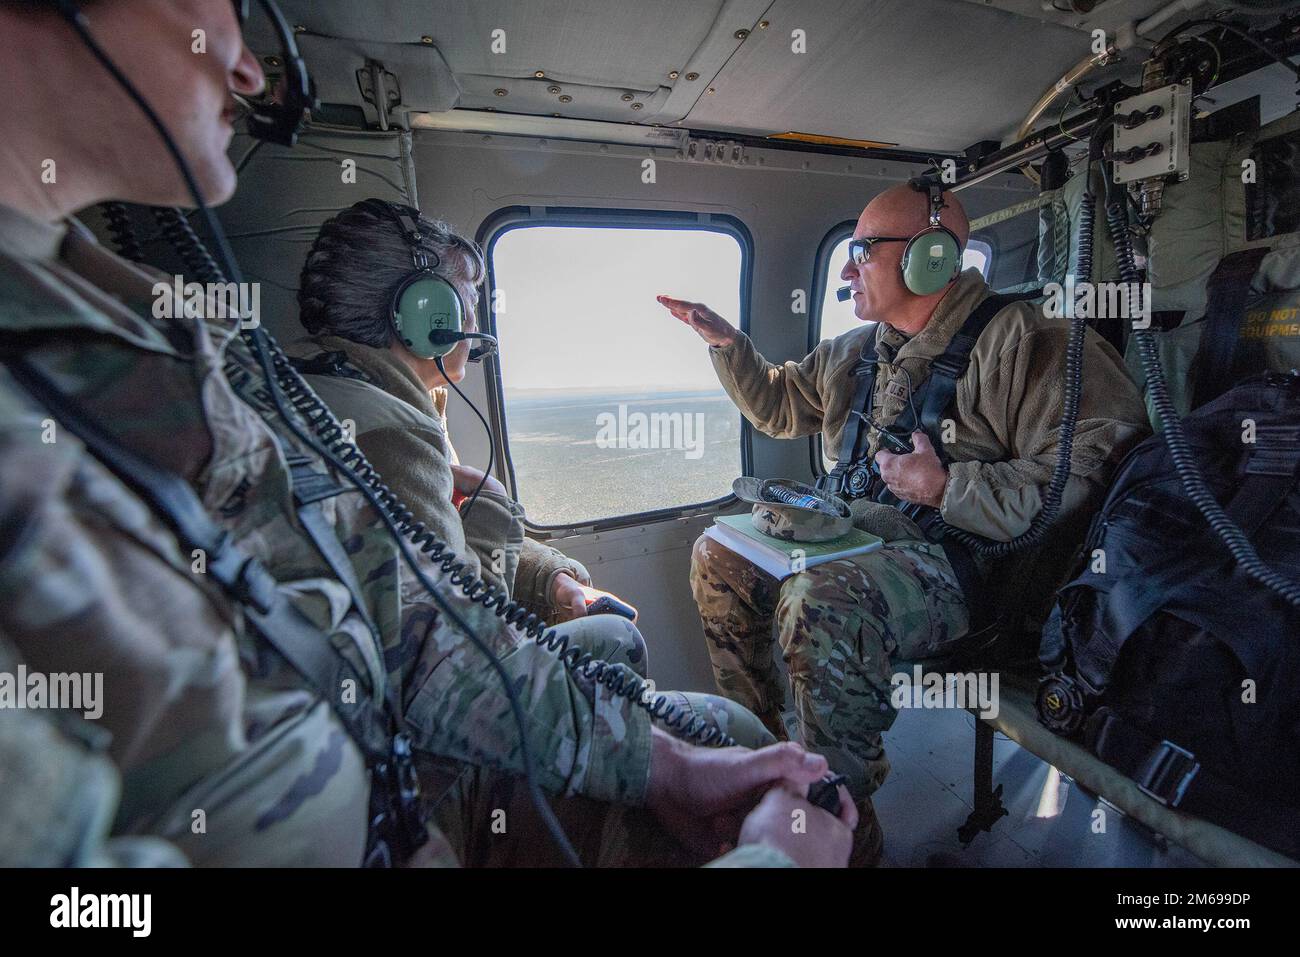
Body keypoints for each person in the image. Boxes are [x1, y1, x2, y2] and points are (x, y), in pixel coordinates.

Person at [0, 0, 854, 868]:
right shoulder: (367, 422)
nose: (253, 69)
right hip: (410, 800)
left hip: (379, 769)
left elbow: (406, 629)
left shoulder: (155, 339)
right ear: (425, 317)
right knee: (738, 739)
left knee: (644, 673)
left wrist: (551, 582)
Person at [658, 181, 1152, 864]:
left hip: (967, 572)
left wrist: (950, 486)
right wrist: (727, 343)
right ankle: (767, 764)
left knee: (819, 601)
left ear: (930, 260)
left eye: (861, 251)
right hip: (863, 542)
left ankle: (842, 823)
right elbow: (777, 403)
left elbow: (1099, 468)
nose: (846, 268)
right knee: (718, 552)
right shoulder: (857, 351)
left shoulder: (1030, 343)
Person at [289, 200, 635, 634]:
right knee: (618, 638)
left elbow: (439, 545)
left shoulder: (329, 384)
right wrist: (493, 502)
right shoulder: (390, 434)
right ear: (428, 313)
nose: (475, 320)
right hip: (428, 682)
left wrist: (552, 578)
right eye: (467, 301)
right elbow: (467, 633)